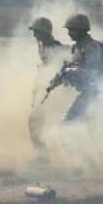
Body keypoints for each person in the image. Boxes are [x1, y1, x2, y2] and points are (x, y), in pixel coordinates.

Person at [27, 17, 66, 164]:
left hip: (54, 92)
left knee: (36, 122)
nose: (35, 35)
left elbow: (61, 70)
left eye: (37, 32)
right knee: (37, 122)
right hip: (45, 91)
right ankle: (43, 156)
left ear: (45, 32)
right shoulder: (43, 46)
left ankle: (44, 157)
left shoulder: (56, 49)